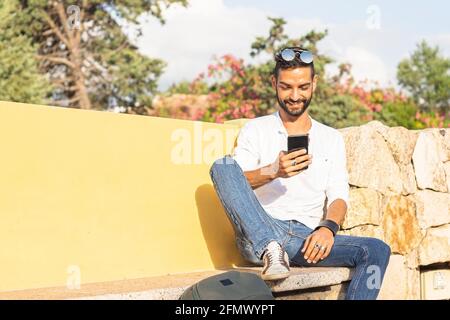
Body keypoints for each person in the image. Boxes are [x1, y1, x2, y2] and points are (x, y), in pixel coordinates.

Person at [209, 47, 391, 300]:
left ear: (314, 84)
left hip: (304, 240)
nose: (295, 96)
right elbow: (235, 182)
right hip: (260, 235)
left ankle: (280, 250)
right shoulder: (256, 129)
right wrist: (274, 171)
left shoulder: (331, 138)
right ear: (274, 83)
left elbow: (339, 196)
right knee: (223, 166)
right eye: (286, 87)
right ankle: (270, 248)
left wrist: (327, 229)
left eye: (303, 87)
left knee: (377, 250)